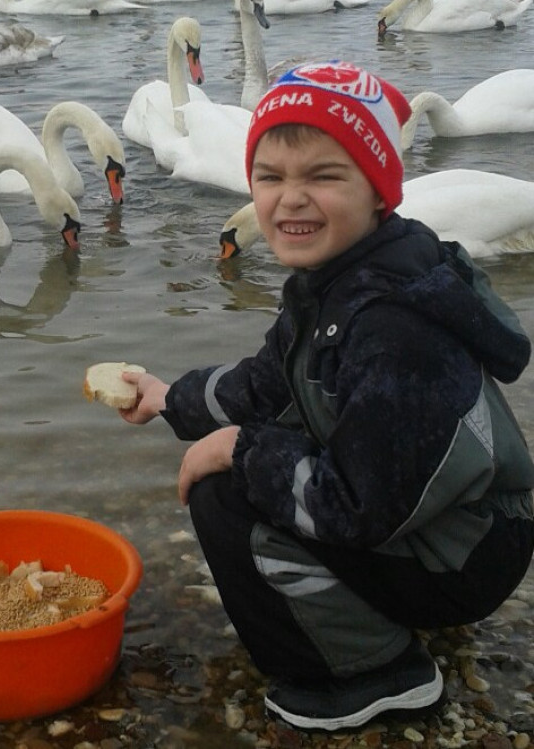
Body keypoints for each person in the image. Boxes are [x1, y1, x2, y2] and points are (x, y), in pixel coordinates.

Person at [116, 60, 534, 731]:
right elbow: (266, 382)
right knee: (250, 462)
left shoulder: (393, 328)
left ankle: (377, 676)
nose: (289, 199)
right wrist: (171, 399)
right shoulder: (339, 281)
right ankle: (375, 620)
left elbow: (358, 508)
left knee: (228, 500)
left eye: (324, 176)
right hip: (444, 522)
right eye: (271, 177)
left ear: (378, 191)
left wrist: (240, 450)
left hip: (470, 552)